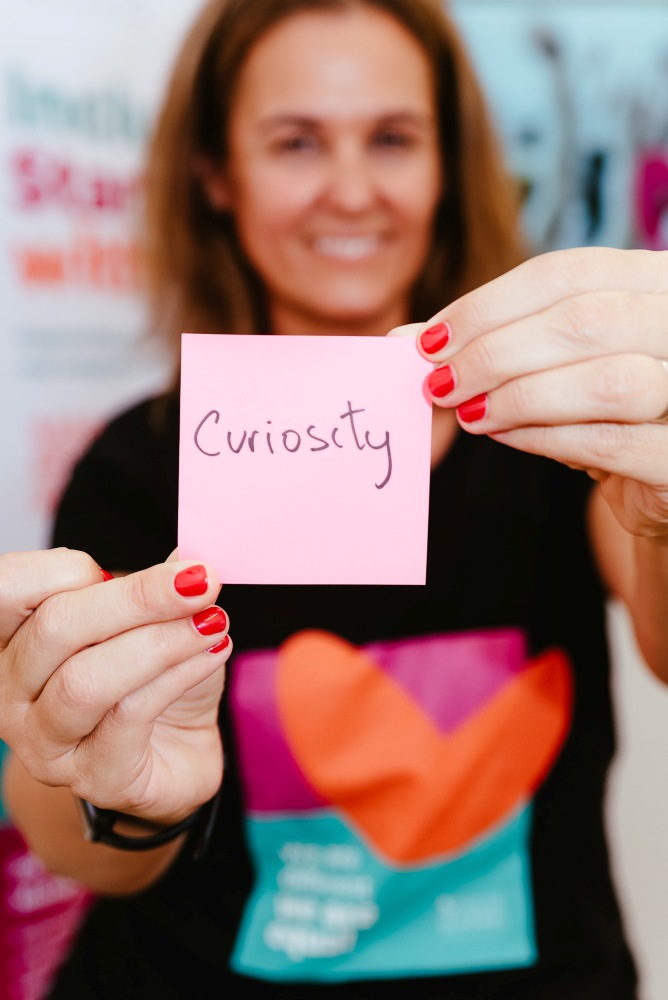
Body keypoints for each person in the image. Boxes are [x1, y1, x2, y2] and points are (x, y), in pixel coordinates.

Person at [1, 0, 667, 996]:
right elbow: (74, 837)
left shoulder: (555, 431)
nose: (351, 192)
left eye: (392, 138)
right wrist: (125, 793)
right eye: (297, 142)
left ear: (446, 167)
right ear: (215, 174)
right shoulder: (135, 465)